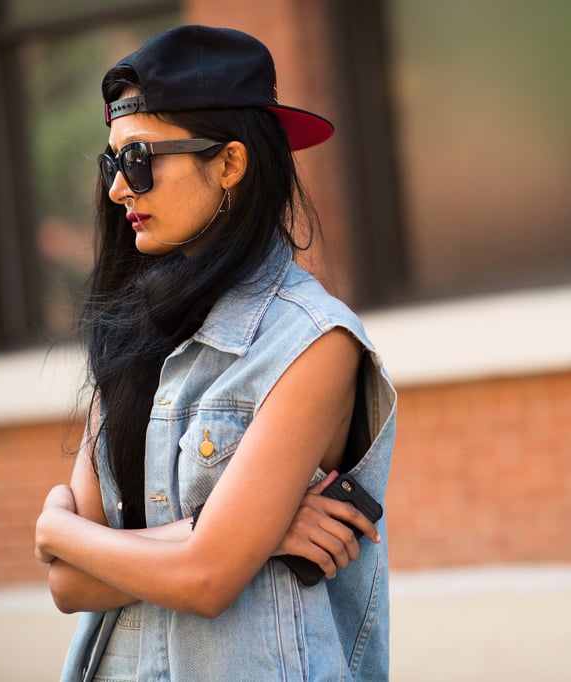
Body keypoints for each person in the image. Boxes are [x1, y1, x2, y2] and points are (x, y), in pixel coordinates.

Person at [33, 25, 396, 681]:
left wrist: (61, 530)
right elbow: (67, 587)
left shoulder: (313, 340)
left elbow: (204, 579)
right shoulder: (128, 335)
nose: (119, 190)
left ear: (229, 164)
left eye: (139, 160)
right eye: (112, 164)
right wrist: (237, 533)